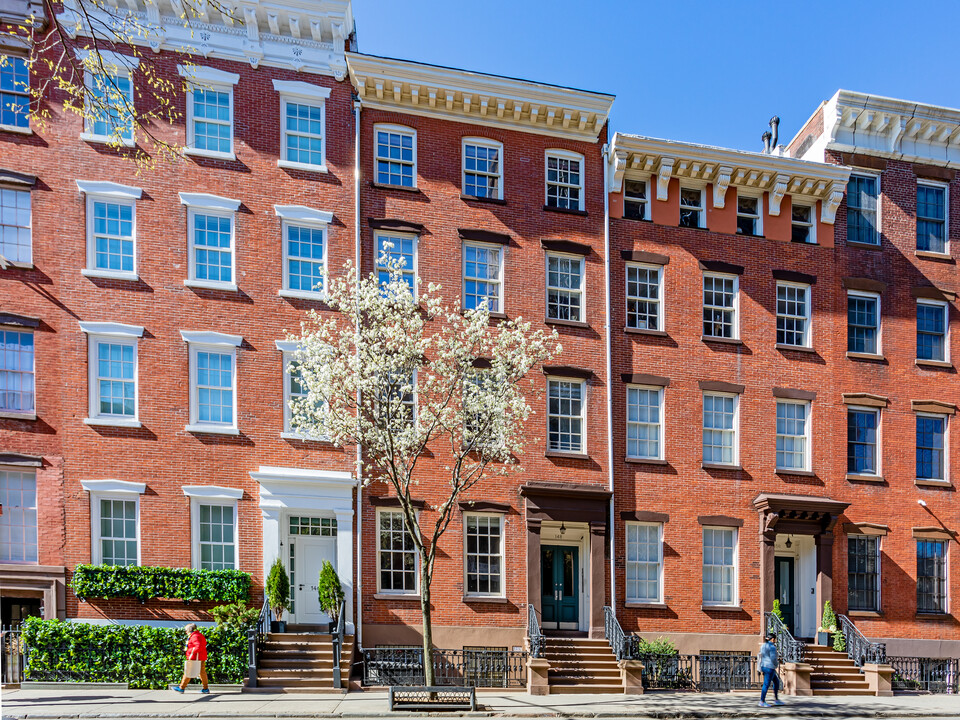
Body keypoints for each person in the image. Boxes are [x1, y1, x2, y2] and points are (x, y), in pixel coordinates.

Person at [174, 623, 210, 694]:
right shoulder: (199, 635)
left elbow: (198, 647)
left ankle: (181, 687)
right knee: (202, 673)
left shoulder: (194, 636)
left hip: (194, 658)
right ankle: (205, 688)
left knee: (188, 672)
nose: (185, 632)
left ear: (190, 629)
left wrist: (190, 652)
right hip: (201, 657)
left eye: (186, 630)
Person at [758, 633, 785, 707]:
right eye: (775, 639)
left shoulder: (763, 646)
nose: (775, 641)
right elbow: (773, 658)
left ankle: (776, 700)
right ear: (773, 639)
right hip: (770, 667)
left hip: (764, 666)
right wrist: (776, 665)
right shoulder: (772, 647)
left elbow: (760, 655)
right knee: (766, 684)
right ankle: (762, 701)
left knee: (776, 681)